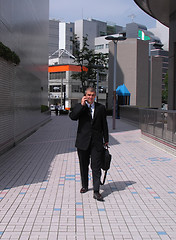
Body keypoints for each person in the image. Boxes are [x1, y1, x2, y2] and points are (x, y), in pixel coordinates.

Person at [69, 87, 109, 201]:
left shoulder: (100, 108)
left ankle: (96, 191)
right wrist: (81, 105)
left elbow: (104, 124)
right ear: (85, 96)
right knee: (83, 165)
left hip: (96, 142)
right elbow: (72, 117)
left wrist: (106, 139)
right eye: (88, 95)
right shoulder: (80, 107)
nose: (90, 97)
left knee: (95, 167)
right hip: (83, 141)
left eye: (92, 95)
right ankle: (85, 186)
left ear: (95, 96)